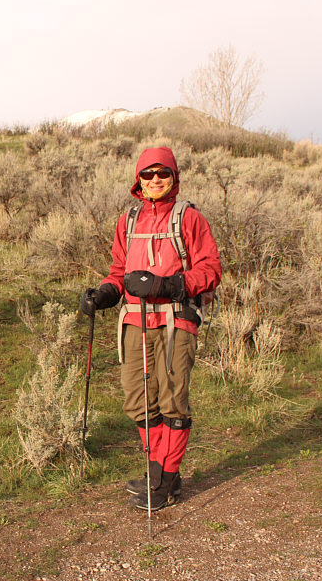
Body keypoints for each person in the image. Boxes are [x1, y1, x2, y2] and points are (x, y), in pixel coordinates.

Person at [80, 146, 221, 511]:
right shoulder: (128, 221)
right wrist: (104, 295)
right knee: (138, 401)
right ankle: (157, 470)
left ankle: (162, 481)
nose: (155, 180)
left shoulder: (189, 219)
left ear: (174, 177)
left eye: (163, 174)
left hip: (177, 320)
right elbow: (118, 272)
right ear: (137, 179)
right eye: (148, 174)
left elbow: (210, 271)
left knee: (173, 402)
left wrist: (168, 285)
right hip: (134, 321)